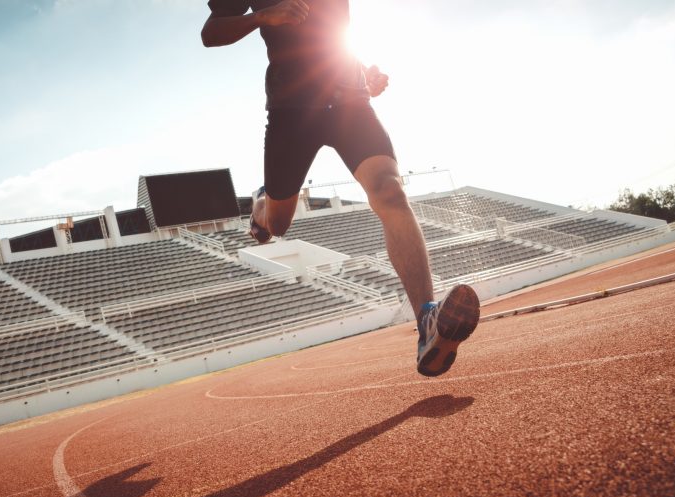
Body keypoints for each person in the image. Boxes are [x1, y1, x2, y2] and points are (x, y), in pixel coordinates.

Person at [202, 0, 480, 376]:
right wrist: (264, 17)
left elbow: (331, 35)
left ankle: (428, 322)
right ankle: (262, 207)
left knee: (390, 192)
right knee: (278, 226)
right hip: (292, 113)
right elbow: (211, 33)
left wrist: (363, 71)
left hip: (351, 102)